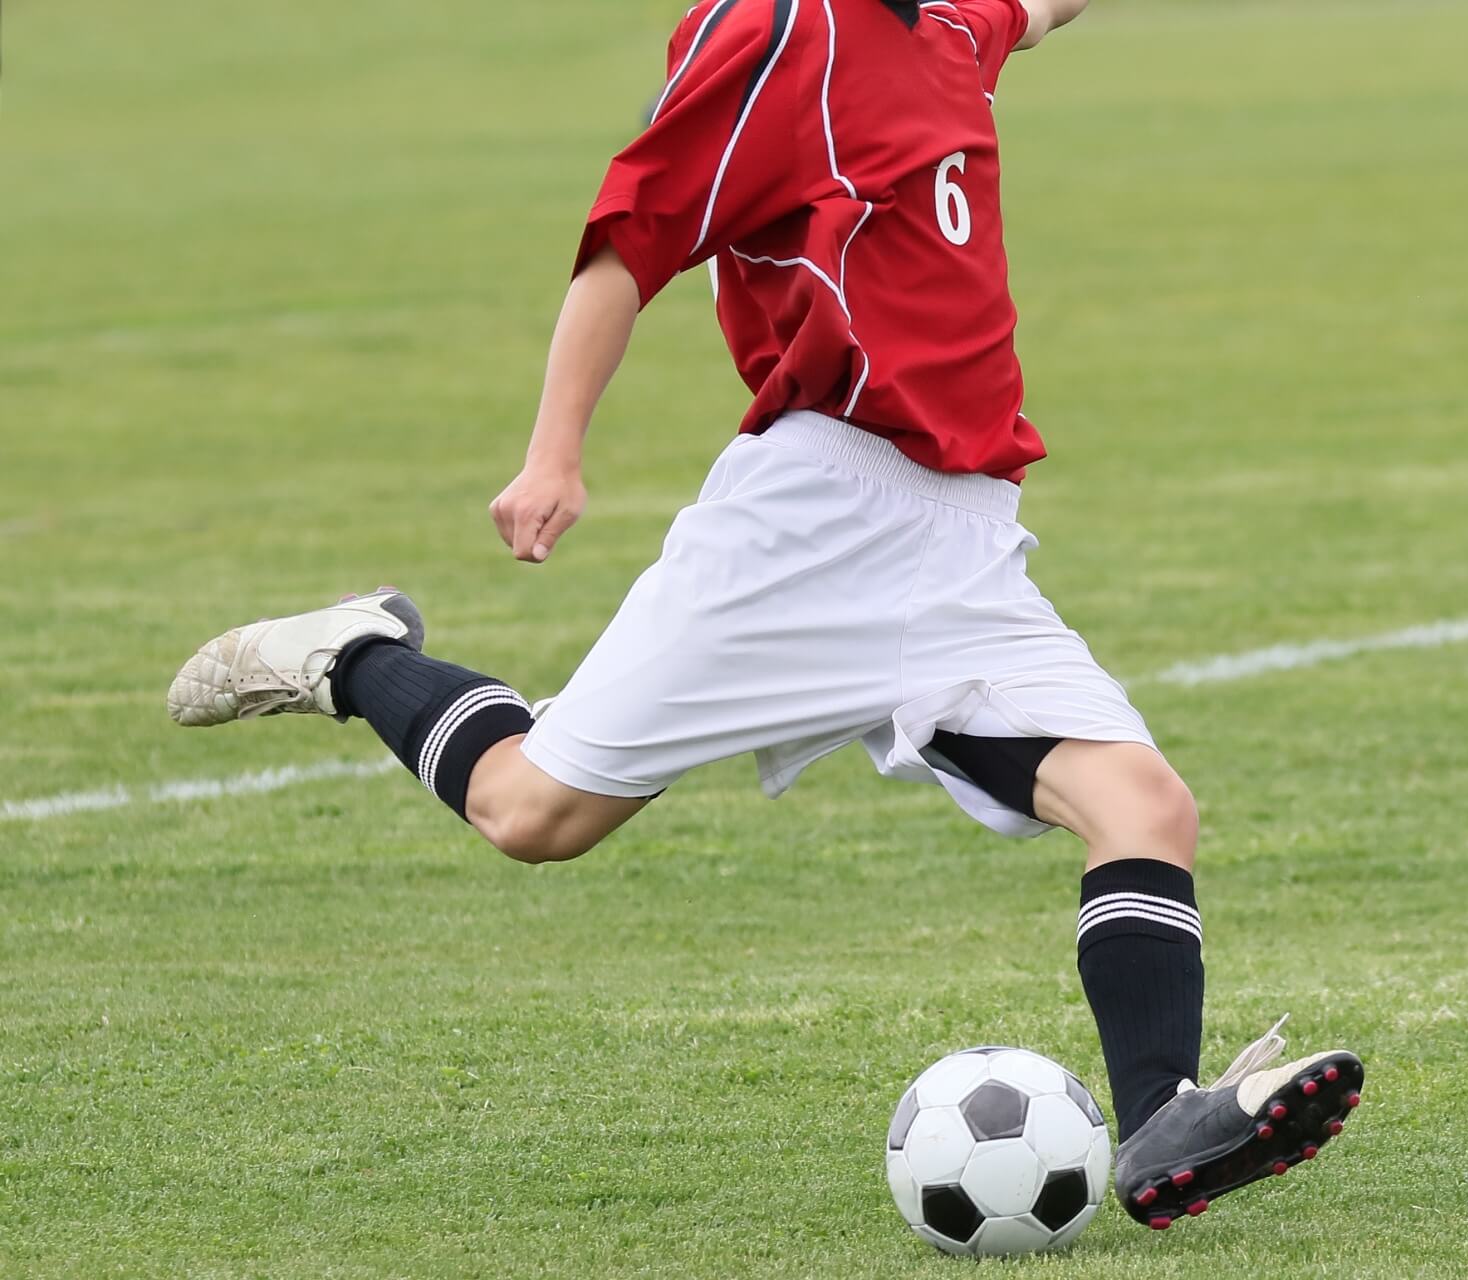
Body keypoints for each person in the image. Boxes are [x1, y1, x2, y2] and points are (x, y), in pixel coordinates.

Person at [166, 0, 1361, 1229]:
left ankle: (1165, 1116)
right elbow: (629, 241)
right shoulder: (786, 29)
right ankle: (355, 651)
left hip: (961, 542)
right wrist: (554, 452)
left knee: (1144, 803)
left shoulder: (949, 21)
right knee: (531, 812)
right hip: (808, 523)